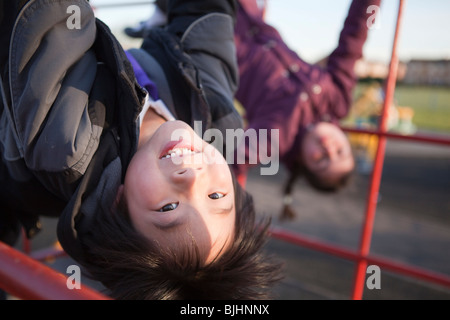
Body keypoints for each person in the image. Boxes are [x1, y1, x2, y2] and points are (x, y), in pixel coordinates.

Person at [0, 0, 282, 300]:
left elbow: (45, 14)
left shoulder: (69, 143)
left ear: (118, 203)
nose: (193, 177)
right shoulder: (215, 116)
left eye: (168, 208)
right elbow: (207, 18)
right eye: (216, 196)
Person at [124, 0, 382, 220]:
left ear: (303, 163)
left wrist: (216, 208)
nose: (328, 148)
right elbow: (353, 42)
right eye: (339, 150)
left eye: (321, 159)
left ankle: (161, 19)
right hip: (251, 15)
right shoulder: (337, 99)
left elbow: (227, 163)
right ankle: (160, 17)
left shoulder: (274, 141)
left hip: (221, 34)